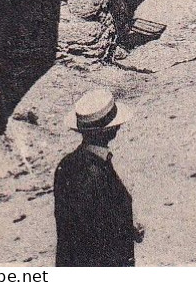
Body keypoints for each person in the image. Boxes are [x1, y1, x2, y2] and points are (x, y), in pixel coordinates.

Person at [54, 88, 141, 266]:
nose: (118, 126)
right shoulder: (94, 174)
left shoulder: (67, 164)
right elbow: (95, 235)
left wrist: (127, 228)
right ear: (109, 130)